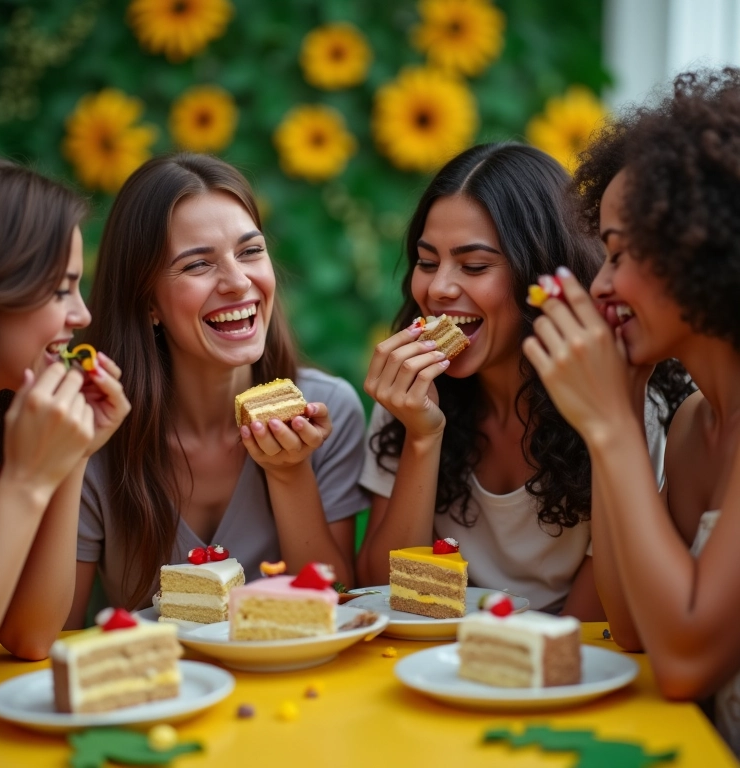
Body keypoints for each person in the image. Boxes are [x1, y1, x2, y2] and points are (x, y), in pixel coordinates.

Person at [523, 68, 740, 754]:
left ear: (702, 246)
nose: (600, 284)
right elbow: (637, 626)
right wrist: (611, 409)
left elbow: (686, 664)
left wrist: (613, 429)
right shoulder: (694, 430)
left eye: (619, 253)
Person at [66, 153, 368, 623]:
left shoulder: (328, 410)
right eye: (198, 265)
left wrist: (290, 475)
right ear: (148, 304)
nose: (238, 281)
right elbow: (51, 637)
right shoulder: (94, 434)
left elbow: (339, 601)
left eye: (250, 252)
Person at [357, 142, 611, 616]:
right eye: (427, 262)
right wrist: (421, 437)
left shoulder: (619, 394)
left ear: (540, 274)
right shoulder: (410, 389)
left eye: (474, 266)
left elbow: (597, 619)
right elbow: (383, 590)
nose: (438, 289)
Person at [0, 154, 130, 670]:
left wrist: (73, 455)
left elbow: (32, 635)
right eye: (61, 288)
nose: (82, 315)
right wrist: (26, 483)